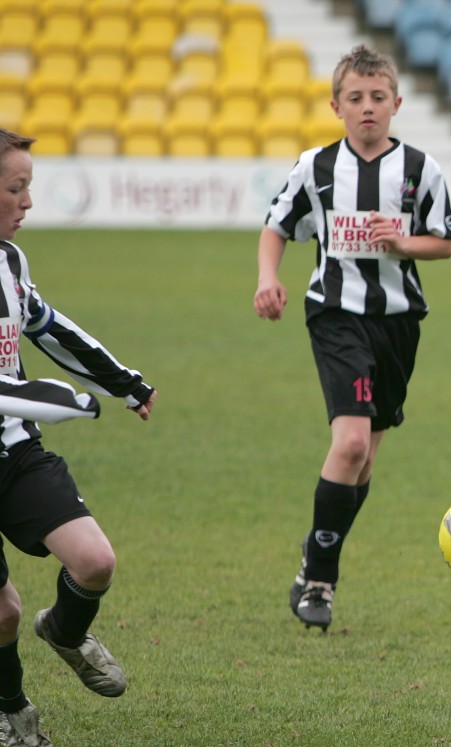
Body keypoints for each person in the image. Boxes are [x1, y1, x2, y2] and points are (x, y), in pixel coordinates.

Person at [254, 45, 451, 632]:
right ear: (336, 105)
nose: (366, 107)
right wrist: (269, 278)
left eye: (377, 97)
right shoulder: (315, 166)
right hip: (335, 315)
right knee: (349, 445)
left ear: (396, 103)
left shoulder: (421, 169)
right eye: (354, 98)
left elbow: (443, 241)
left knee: (366, 456)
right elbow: (277, 227)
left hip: (398, 322)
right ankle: (321, 576)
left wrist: (402, 244)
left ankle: (315, 555)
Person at [0, 128, 158, 746]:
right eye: (17, 188)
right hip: (20, 421)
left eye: (29, 187)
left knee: (95, 562)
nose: (29, 202)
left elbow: (46, 325)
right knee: (3, 613)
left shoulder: (10, 260)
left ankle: (64, 630)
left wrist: (123, 382)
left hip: (13, 450)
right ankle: (12, 712)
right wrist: (54, 399)